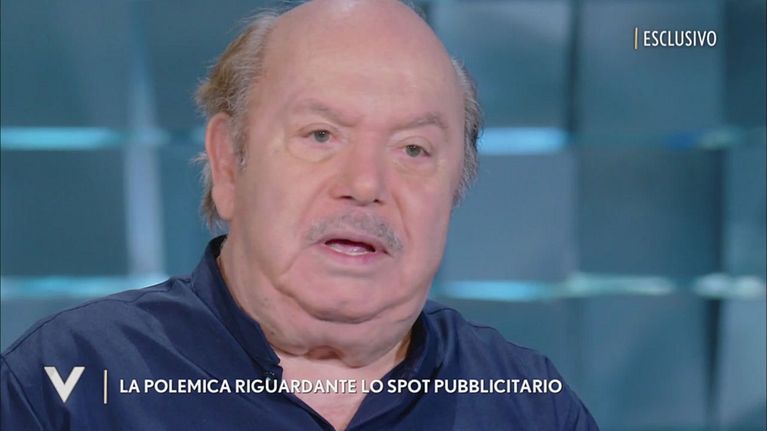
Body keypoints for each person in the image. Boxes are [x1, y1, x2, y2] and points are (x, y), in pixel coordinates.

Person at [1, 0, 598, 429]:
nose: (365, 185)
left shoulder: (531, 407)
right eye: (320, 135)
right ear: (228, 163)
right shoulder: (66, 384)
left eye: (414, 149)